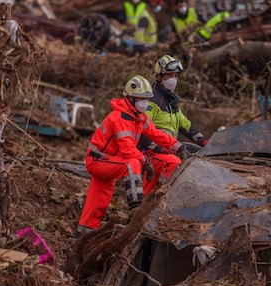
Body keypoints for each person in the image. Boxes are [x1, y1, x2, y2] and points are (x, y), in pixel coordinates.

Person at [77, 75, 184, 235]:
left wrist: (178, 146)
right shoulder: (120, 118)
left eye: (147, 99)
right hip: (99, 161)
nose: (145, 103)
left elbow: (156, 134)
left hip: (108, 160)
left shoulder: (139, 117)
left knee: (99, 198)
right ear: (131, 98)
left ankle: (85, 231)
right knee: (132, 164)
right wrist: (145, 160)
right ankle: (136, 207)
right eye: (142, 99)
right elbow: (128, 150)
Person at [138, 55, 208, 194]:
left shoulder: (171, 102)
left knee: (148, 191)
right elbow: (142, 129)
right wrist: (159, 149)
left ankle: (144, 208)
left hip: (169, 149)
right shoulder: (152, 100)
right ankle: (161, 202)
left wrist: (204, 141)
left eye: (176, 75)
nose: (174, 79)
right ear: (159, 77)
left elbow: (185, 124)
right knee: (174, 165)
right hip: (153, 151)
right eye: (170, 75)